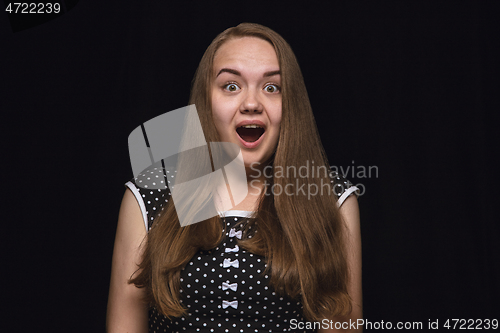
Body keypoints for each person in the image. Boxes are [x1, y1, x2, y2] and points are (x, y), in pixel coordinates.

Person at [107, 23, 362, 333]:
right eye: (231, 85)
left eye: (271, 87)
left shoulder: (331, 200)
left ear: (290, 105)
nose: (252, 103)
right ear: (206, 101)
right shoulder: (151, 194)